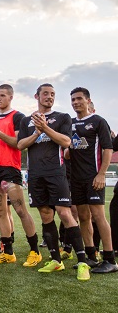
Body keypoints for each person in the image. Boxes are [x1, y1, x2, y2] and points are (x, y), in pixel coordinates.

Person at [17, 83, 90, 280]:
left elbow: (66, 142)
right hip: (35, 175)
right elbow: (20, 145)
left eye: (53, 94)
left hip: (56, 173)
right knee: (45, 214)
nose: (50, 97)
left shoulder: (62, 117)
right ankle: (56, 260)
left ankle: (83, 262)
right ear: (36, 96)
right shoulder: (26, 121)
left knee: (65, 213)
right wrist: (36, 132)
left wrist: (45, 128)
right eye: (46, 94)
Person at [0, 84, 40, 266]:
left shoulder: (18, 117)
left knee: (20, 210)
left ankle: (35, 251)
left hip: (9, 168)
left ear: (10, 97)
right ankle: (8, 252)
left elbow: (18, 143)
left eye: (2, 95)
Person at [65, 87, 118, 273]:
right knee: (83, 217)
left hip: (93, 177)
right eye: (73, 99)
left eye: (79, 99)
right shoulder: (69, 124)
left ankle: (110, 259)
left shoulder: (98, 121)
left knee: (98, 216)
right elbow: (68, 152)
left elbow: (108, 149)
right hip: (76, 179)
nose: (75, 102)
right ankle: (91, 256)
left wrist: (102, 174)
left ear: (88, 100)